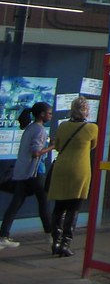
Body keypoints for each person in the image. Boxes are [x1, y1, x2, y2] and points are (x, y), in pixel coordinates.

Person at [47, 96, 98, 257]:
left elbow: (59, 145)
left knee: (59, 206)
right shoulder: (92, 128)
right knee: (73, 207)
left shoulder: (63, 126)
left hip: (61, 167)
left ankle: (55, 241)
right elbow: (93, 145)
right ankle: (65, 243)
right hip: (79, 169)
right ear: (86, 111)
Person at [0, 101, 53, 249]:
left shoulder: (29, 128)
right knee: (43, 203)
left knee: (16, 203)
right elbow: (36, 152)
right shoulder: (40, 130)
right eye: (49, 113)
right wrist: (52, 147)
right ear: (42, 114)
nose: (51, 115)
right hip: (35, 172)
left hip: (23, 172)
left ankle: (3, 235)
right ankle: (50, 234)